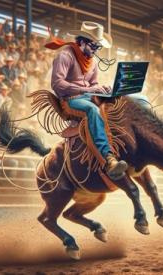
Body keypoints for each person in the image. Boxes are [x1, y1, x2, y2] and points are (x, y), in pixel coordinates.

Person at [47, 21, 127, 180]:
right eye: (94, 46)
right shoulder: (65, 55)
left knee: (117, 102)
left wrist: (101, 89)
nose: (96, 51)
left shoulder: (93, 61)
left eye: (98, 47)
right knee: (93, 110)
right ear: (82, 41)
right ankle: (108, 158)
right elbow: (58, 85)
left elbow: (94, 84)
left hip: (88, 95)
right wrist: (89, 90)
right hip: (70, 99)